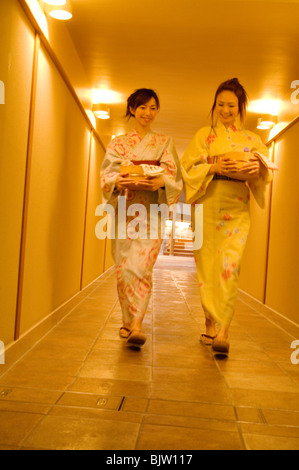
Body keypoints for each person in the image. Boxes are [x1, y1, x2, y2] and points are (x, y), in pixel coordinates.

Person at [181, 78, 272, 356]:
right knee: (207, 266)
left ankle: (224, 329)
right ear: (215, 105)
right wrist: (214, 165)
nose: (225, 109)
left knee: (229, 267)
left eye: (231, 105)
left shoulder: (253, 140)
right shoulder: (203, 136)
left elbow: (264, 171)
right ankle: (209, 321)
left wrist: (253, 168)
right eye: (221, 104)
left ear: (240, 107)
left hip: (237, 204)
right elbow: (187, 167)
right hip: (208, 203)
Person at [100, 88, 182, 347]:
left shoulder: (165, 142)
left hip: (153, 210)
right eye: (143, 107)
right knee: (124, 268)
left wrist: (159, 181)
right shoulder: (117, 143)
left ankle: (137, 325)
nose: (148, 113)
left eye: (153, 108)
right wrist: (119, 178)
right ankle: (127, 320)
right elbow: (107, 175)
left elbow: (173, 176)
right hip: (125, 209)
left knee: (141, 266)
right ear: (132, 109)